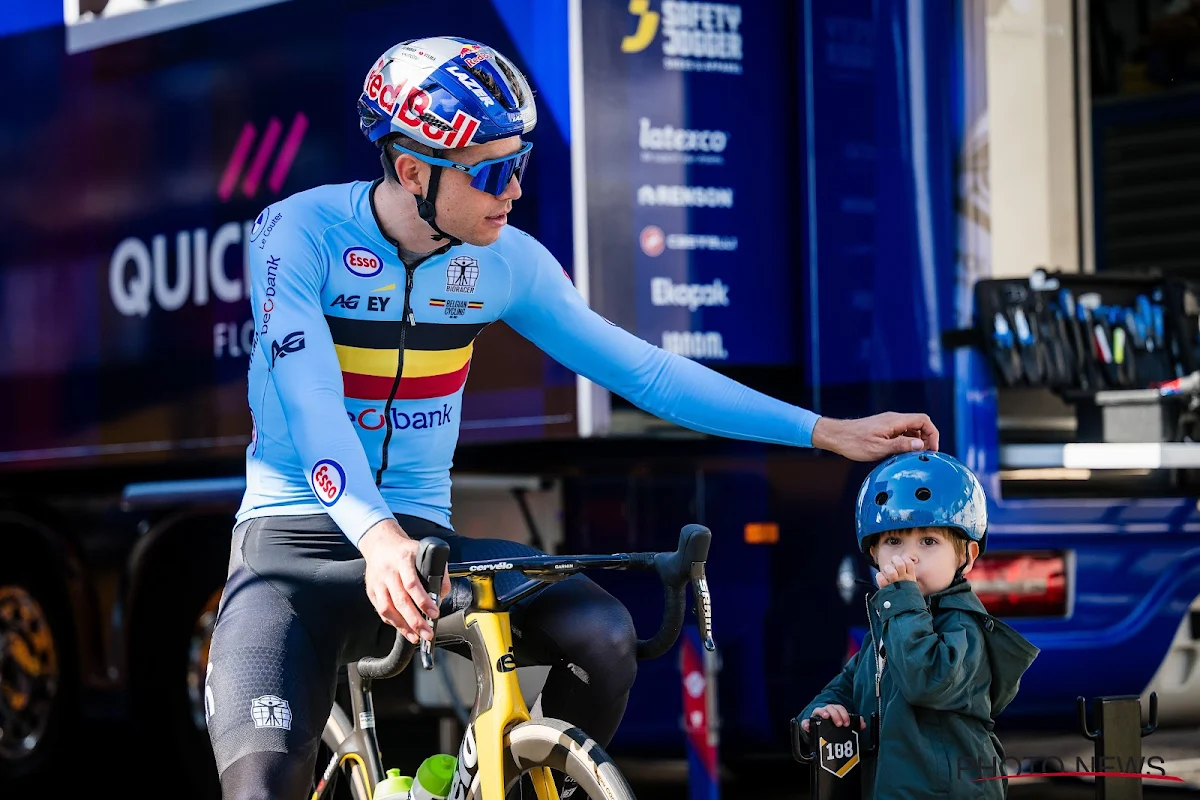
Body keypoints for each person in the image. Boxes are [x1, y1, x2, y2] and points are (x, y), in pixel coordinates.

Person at [204, 35, 944, 799]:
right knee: (261, 788)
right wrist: (376, 534)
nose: (513, 190)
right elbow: (311, 399)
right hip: (292, 553)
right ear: (411, 169)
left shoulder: (505, 262)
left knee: (604, 632)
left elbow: (644, 371)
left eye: (518, 165)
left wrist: (822, 430)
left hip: (422, 544)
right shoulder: (296, 233)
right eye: (491, 171)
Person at [796, 451, 1040, 799]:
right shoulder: (888, 626)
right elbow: (846, 686)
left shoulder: (963, 626)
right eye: (893, 541)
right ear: (873, 554)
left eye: (929, 542)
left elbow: (926, 681)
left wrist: (902, 601)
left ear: (966, 556)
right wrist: (819, 714)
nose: (908, 557)